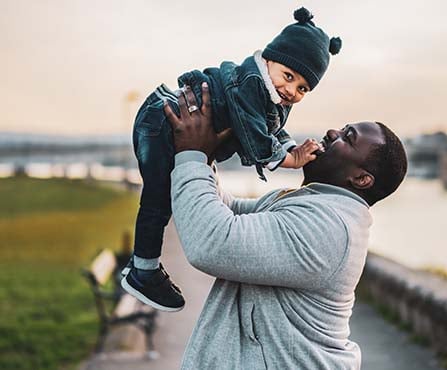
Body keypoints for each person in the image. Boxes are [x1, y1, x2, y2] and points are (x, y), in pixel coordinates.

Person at [163, 84, 408, 369]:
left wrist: (191, 154)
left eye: (347, 138)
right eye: (342, 128)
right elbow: (227, 212)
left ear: (361, 179)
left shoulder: (329, 227)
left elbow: (212, 242)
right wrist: (205, 153)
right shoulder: (315, 205)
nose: (332, 133)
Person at [121, 7, 342, 312]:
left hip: (169, 122)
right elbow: (254, 134)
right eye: (288, 77)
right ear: (268, 60)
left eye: (303, 88)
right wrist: (287, 160)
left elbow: (272, 126)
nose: (291, 90)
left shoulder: (272, 91)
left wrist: (291, 146)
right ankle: (143, 272)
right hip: (163, 120)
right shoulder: (253, 82)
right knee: (158, 199)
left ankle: (143, 265)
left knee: (165, 197)